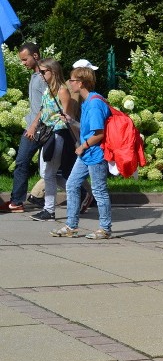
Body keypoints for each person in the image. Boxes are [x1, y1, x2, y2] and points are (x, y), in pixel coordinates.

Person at [49, 66, 113, 239]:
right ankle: (71, 226)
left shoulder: (93, 104)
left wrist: (82, 146)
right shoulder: (87, 102)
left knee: (99, 190)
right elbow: (87, 129)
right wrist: (71, 121)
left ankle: (105, 229)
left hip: (95, 153)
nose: (70, 83)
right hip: (86, 154)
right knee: (71, 185)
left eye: (72, 80)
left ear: (81, 83)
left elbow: (99, 134)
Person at [1, 43, 47, 213]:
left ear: (35, 56)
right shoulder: (35, 75)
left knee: (24, 162)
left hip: (39, 128)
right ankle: (16, 201)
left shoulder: (44, 76)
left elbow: (48, 104)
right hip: (33, 126)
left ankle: (17, 201)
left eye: (25, 59)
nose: (23, 63)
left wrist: (34, 125)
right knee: (24, 163)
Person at [30, 59, 78, 222]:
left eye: (44, 72)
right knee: (47, 173)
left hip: (58, 134)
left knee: (49, 173)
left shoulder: (62, 90)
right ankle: (79, 194)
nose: (41, 75)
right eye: (40, 72)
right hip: (48, 134)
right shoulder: (47, 90)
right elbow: (44, 111)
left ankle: (49, 210)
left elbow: (67, 115)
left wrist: (61, 120)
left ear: (54, 72)